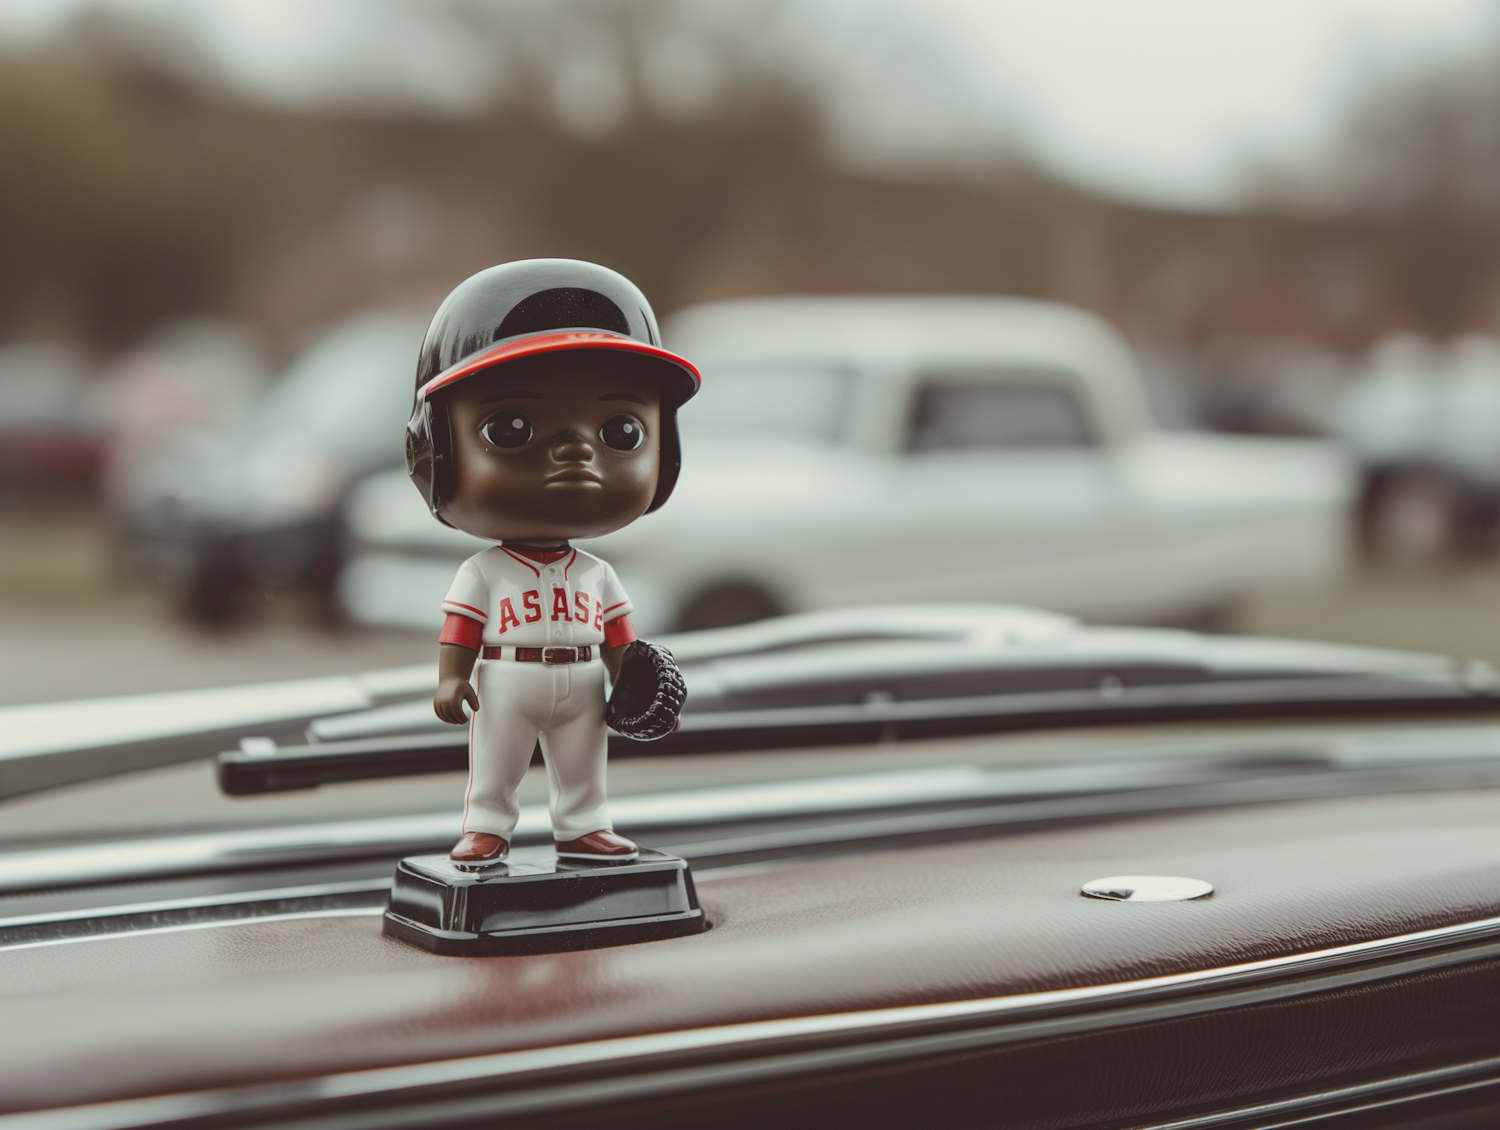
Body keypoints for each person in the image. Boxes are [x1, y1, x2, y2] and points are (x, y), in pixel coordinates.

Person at [404, 259, 699, 868]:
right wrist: (451, 677)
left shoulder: (597, 572)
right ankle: (486, 827)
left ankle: (584, 826)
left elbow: (620, 637)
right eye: (510, 427)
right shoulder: (485, 571)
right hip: (507, 677)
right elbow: (460, 629)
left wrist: (633, 681)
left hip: (586, 680)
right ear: (436, 451)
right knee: (497, 760)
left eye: (622, 430)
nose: (576, 449)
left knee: (583, 763)